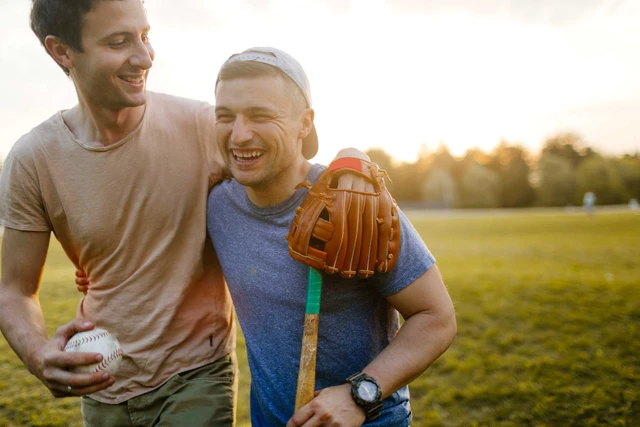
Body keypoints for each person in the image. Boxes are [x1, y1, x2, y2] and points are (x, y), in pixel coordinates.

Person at [0, 1, 370, 425]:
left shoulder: (202, 126)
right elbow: (15, 289)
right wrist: (35, 353)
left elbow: (293, 156)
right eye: (120, 42)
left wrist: (353, 159)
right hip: (101, 380)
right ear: (62, 52)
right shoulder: (32, 159)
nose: (144, 57)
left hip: (196, 375)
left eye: (145, 35)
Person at [207, 47, 457, 426]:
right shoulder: (217, 205)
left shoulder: (354, 202)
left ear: (304, 123)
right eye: (226, 116)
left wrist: (360, 394)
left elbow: (436, 317)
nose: (239, 134)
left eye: (260, 115)